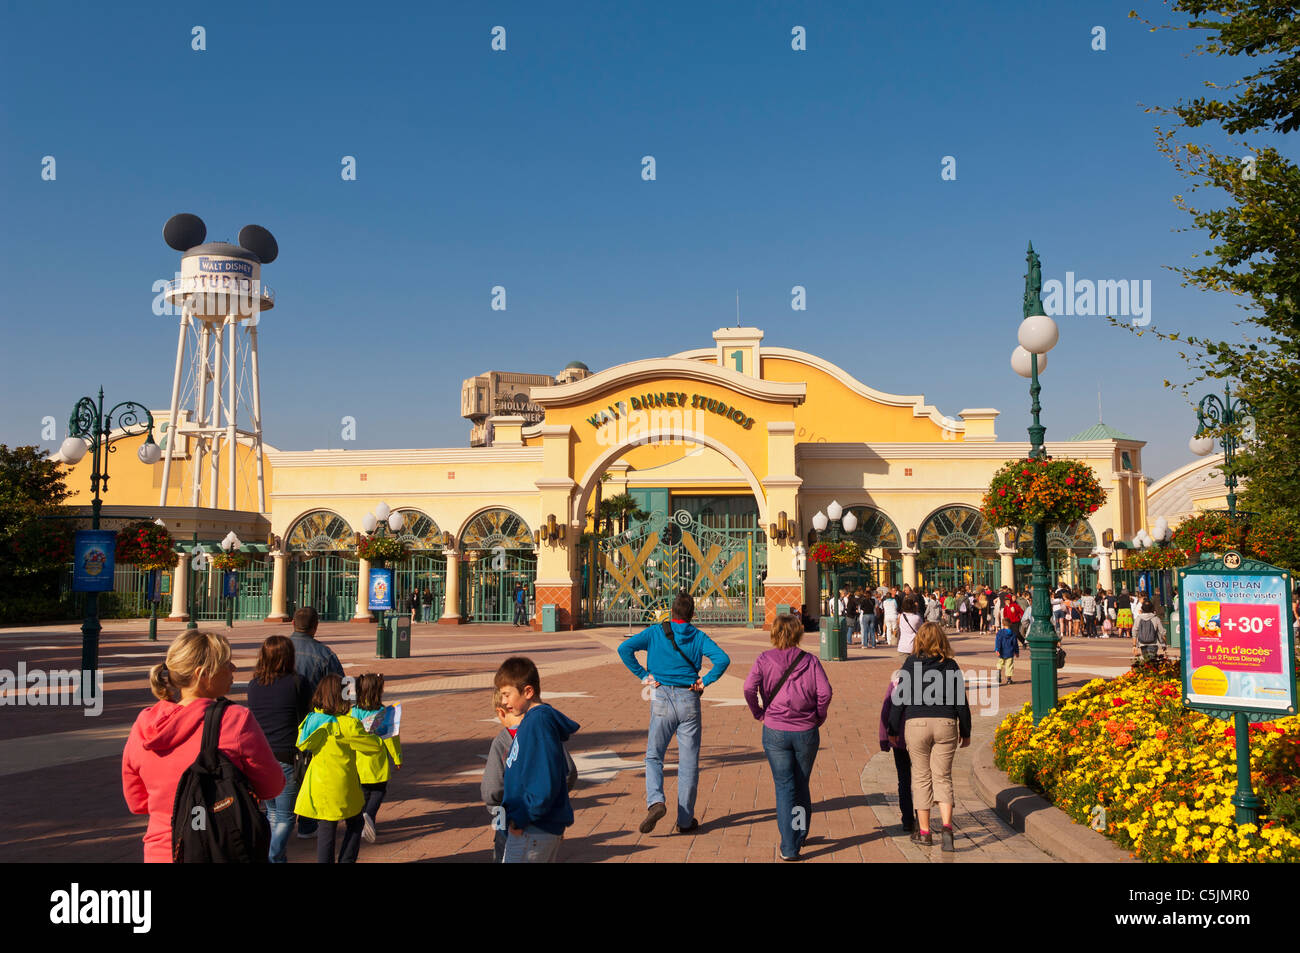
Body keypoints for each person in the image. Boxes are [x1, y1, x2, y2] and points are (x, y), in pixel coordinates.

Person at [122, 629, 284, 863]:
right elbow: (272, 787)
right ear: (203, 674)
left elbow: (137, 802)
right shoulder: (235, 720)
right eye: (226, 663)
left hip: (161, 852)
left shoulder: (144, 725)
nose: (233, 668)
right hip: (218, 850)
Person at [617, 590, 730, 834]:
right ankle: (685, 820)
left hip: (661, 696)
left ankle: (656, 801)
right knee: (688, 762)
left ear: (671, 611)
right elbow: (722, 659)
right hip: (689, 697)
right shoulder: (698, 636)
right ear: (692, 614)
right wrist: (705, 680)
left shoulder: (655, 632)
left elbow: (624, 649)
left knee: (654, 755)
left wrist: (644, 675)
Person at [742, 613, 832, 861]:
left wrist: (758, 711)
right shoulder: (810, 661)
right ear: (798, 633)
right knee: (801, 784)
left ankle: (790, 845)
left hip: (775, 729)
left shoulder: (764, 659)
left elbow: (748, 688)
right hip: (805, 729)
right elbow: (825, 692)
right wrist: (818, 715)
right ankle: (799, 833)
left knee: (784, 786)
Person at [887, 622, 971, 852]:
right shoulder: (951, 665)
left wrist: (892, 729)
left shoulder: (910, 664)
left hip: (917, 723)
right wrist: (966, 731)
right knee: (943, 777)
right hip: (945, 723)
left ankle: (924, 832)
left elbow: (899, 698)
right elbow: (961, 702)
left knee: (921, 777)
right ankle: (947, 828)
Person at [497, 656, 581, 862]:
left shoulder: (538, 723)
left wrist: (521, 818)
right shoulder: (532, 721)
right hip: (533, 829)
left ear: (528, 691)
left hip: (532, 829)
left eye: (507, 694)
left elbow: (544, 781)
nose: (503, 701)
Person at [295, 674, 383, 863]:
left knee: (326, 828)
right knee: (356, 822)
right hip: (343, 783)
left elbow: (301, 743)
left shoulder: (311, 720)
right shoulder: (348, 724)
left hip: (318, 783)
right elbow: (373, 746)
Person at [245, 634, 312, 862]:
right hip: (286, 754)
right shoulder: (297, 682)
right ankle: (271, 856)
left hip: (260, 755)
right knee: (285, 816)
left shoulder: (254, 685)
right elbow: (305, 716)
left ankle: (276, 857)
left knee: (272, 812)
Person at [288, 606, 343, 838]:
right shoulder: (324, 654)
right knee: (309, 773)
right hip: (313, 722)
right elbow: (341, 688)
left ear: (293, 623)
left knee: (284, 769)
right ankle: (307, 823)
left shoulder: (278, 650)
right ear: (315, 626)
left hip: (282, 720)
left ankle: (279, 818)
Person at [350, 673, 402, 844]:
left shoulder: (353, 712)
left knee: (364, 793)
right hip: (378, 761)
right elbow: (391, 737)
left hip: (359, 760)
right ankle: (369, 815)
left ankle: (364, 824)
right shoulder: (384, 712)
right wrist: (397, 758)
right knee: (379, 791)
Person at [878, 673, 914, 833]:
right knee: (923, 779)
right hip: (920, 738)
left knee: (904, 779)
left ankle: (907, 820)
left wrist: (884, 739)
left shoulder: (896, 682)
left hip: (899, 738)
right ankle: (922, 818)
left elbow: (886, 711)